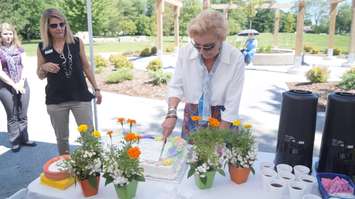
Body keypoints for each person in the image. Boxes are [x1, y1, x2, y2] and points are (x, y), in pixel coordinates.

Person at [161, 10, 245, 140]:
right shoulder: (185, 52)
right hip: (193, 116)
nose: (201, 52)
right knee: (190, 158)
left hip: (223, 119)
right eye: (197, 45)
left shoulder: (235, 58)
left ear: (221, 39)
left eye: (208, 46)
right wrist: (171, 114)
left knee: (218, 157)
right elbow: (176, 86)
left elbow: (232, 103)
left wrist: (218, 140)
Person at [37, 8, 102, 155]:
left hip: (80, 97)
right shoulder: (42, 47)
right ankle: (66, 170)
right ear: (46, 27)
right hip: (56, 100)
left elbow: (86, 66)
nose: (59, 28)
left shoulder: (76, 42)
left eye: (62, 24)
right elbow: (40, 75)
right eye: (54, 25)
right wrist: (44, 67)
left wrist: (96, 89)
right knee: (62, 139)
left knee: (89, 137)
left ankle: (93, 170)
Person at [0, 23, 36, 152]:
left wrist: (21, 81)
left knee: (23, 113)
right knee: (12, 115)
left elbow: (25, 65)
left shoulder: (19, 48)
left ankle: (24, 138)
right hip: (5, 87)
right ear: (0, 35)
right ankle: (15, 141)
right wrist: (13, 84)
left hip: (22, 84)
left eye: (10, 33)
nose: (8, 36)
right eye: (5, 33)